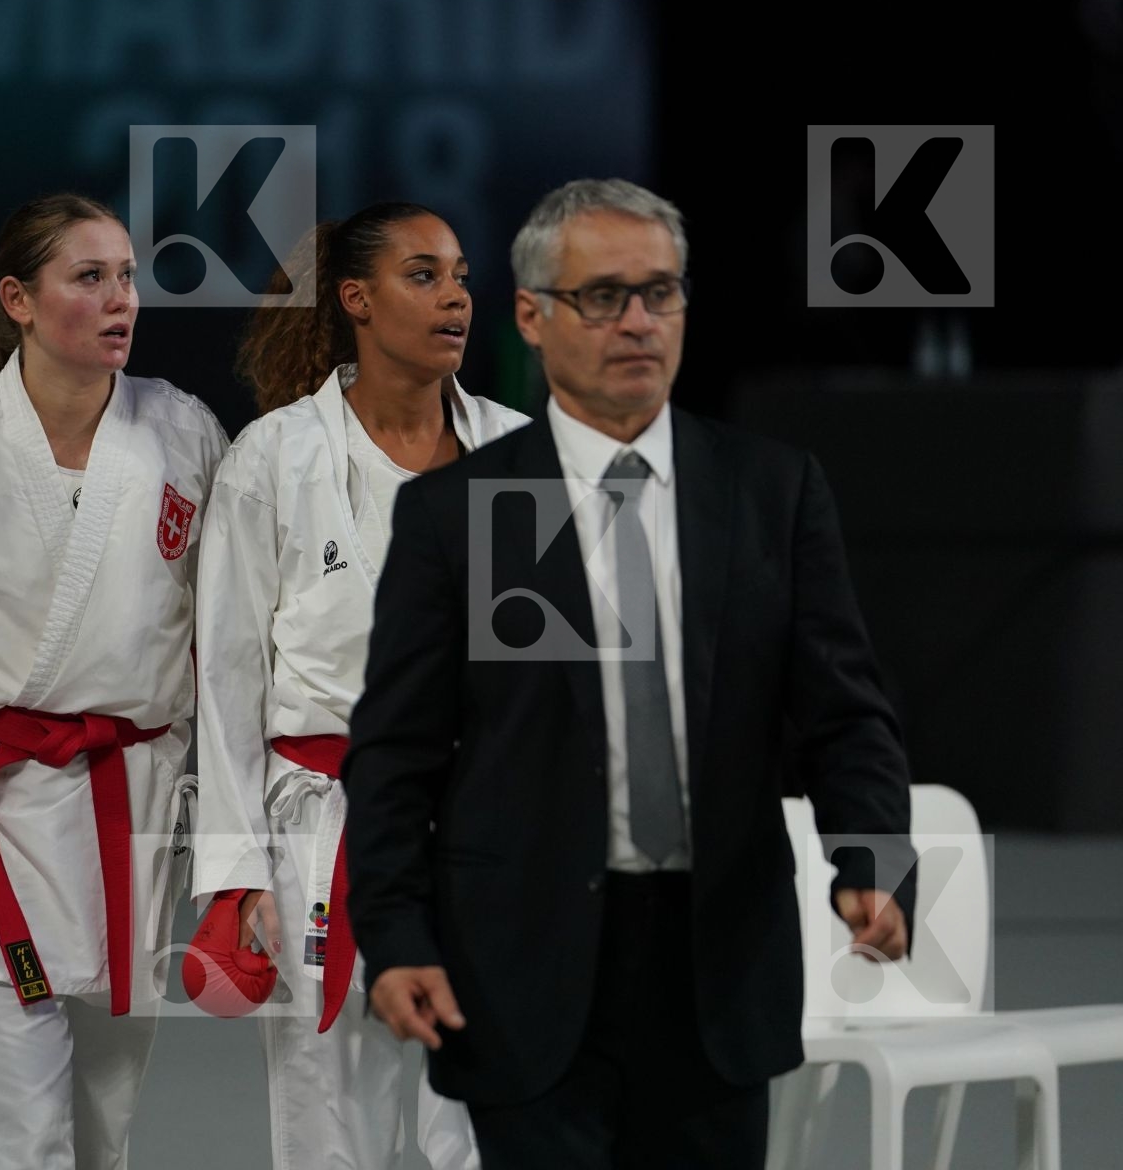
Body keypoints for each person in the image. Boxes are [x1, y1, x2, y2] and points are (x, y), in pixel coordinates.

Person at [342, 178, 917, 1168]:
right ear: (532, 316)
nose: (640, 321)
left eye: (662, 292)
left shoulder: (770, 491)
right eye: (604, 296)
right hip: (522, 966)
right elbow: (396, 753)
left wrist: (870, 860)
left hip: (718, 968)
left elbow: (846, 713)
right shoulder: (466, 511)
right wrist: (394, 935)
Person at [0, 193, 229, 1170]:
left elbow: (223, 631)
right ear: (18, 301)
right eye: (89, 278)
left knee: (102, 1131)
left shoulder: (184, 432)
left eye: (127, 277)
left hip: (129, 813)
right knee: (9, 1136)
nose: (121, 299)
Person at [190, 201, 521, 1169]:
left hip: (484, 829)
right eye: (423, 275)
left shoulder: (519, 454)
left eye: (461, 274)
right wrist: (237, 872)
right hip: (322, 832)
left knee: (492, 1126)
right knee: (331, 1131)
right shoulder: (276, 459)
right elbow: (227, 674)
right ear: (355, 300)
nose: (455, 296)